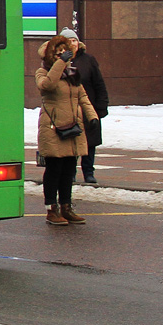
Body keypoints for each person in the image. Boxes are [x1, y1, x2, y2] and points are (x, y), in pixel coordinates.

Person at [36, 34, 100, 226]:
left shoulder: (72, 73)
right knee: (54, 169)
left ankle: (66, 207)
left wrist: (92, 116)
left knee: (69, 169)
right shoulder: (43, 71)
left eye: (66, 51)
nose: (64, 55)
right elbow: (48, 85)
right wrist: (59, 65)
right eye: (59, 52)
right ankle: (51, 209)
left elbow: (82, 96)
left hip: (72, 128)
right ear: (51, 54)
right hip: (54, 127)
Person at [60, 28, 109, 184]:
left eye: (74, 40)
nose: (72, 44)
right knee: (71, 141)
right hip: (68, 109)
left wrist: (101, 107)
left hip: (88, 108)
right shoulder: (57, 62)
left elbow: (99, 84)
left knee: (90, 141)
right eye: (69, 41)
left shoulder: (88, 60)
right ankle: (70, 172)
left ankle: (88, 172)